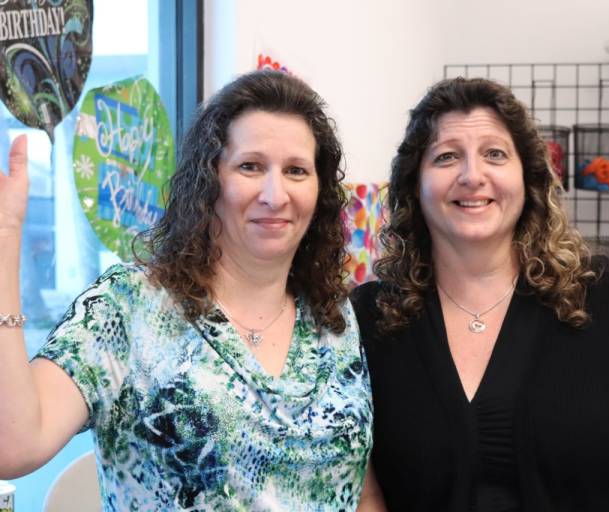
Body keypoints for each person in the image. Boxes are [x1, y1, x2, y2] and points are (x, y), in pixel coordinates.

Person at [352, 77, 609, 511]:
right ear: (413, 185)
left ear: (529, 178)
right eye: (446, 156)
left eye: (494, 154)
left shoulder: (604, 296)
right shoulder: (372, 318)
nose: (472, 176)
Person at [0, 70, 373, 511]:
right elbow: (15, 445)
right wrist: (6, 238)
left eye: (296, 170)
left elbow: (360, 488)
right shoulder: (129, 307)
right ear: (208, 178)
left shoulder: (333, 317)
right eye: (250, 166)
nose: (275, 194)